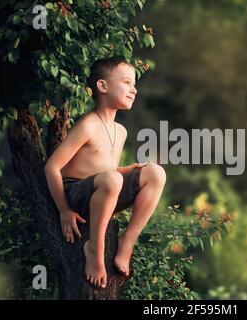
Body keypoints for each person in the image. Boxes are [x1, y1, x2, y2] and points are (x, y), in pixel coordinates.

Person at [44, 56, 166, 289]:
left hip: (104, 188)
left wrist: (124, 170)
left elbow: (105, 170)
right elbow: (52, 167)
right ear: (102, 86)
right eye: (127, 83)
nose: (134, 90)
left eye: (134, 84)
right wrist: (63, 210)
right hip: (76, 193)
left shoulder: (120, 131)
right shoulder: (88, 124)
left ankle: (127, 242)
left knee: (156, 173)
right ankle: (94, 249)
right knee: (112, 179)